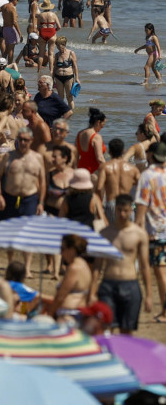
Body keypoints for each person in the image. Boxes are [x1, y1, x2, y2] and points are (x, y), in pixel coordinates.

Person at [96, 194, 153, 334]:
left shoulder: (139, 234)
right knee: (105, 330)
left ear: (131, 210)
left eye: (126, 210)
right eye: (119, 210)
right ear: (115, 209)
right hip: (108, 284)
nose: (122, 214)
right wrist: (91, 292)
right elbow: (97, 265)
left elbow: (145, 266)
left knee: (126, 332)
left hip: (130, 284)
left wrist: (149, 295)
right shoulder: (105, 233)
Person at [135, 142, 166, 323]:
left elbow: (141, 205)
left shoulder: (147, 176)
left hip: (156, 230)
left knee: (161, 272)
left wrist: (138, 230)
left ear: (152, 156)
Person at [0, 127, 45, 219]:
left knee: (28, 230)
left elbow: (42, 182)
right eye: (20, 139)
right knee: (6, 229)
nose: (22, 143)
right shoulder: (8, 156)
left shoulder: (38, 158)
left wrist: (40, 203)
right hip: (9, 198)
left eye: (26, 140)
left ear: (31, 140)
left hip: (30, 199)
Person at [44, 234, 93, 323]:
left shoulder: (74, 268)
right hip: (78, 312)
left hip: (70, 315)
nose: (61, 253)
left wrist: (50, 313)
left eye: (62, 249)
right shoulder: (84, 265)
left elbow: (61, 296)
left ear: (72, 250)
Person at [75, 108, 106, 174]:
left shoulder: (79, 134)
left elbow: (76, 156)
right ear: (98, 122)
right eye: (103, 124)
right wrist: (109, 170)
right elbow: (100, 158)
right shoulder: (96, 137)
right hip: (93, 171)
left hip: (80, 169)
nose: (103, 127)